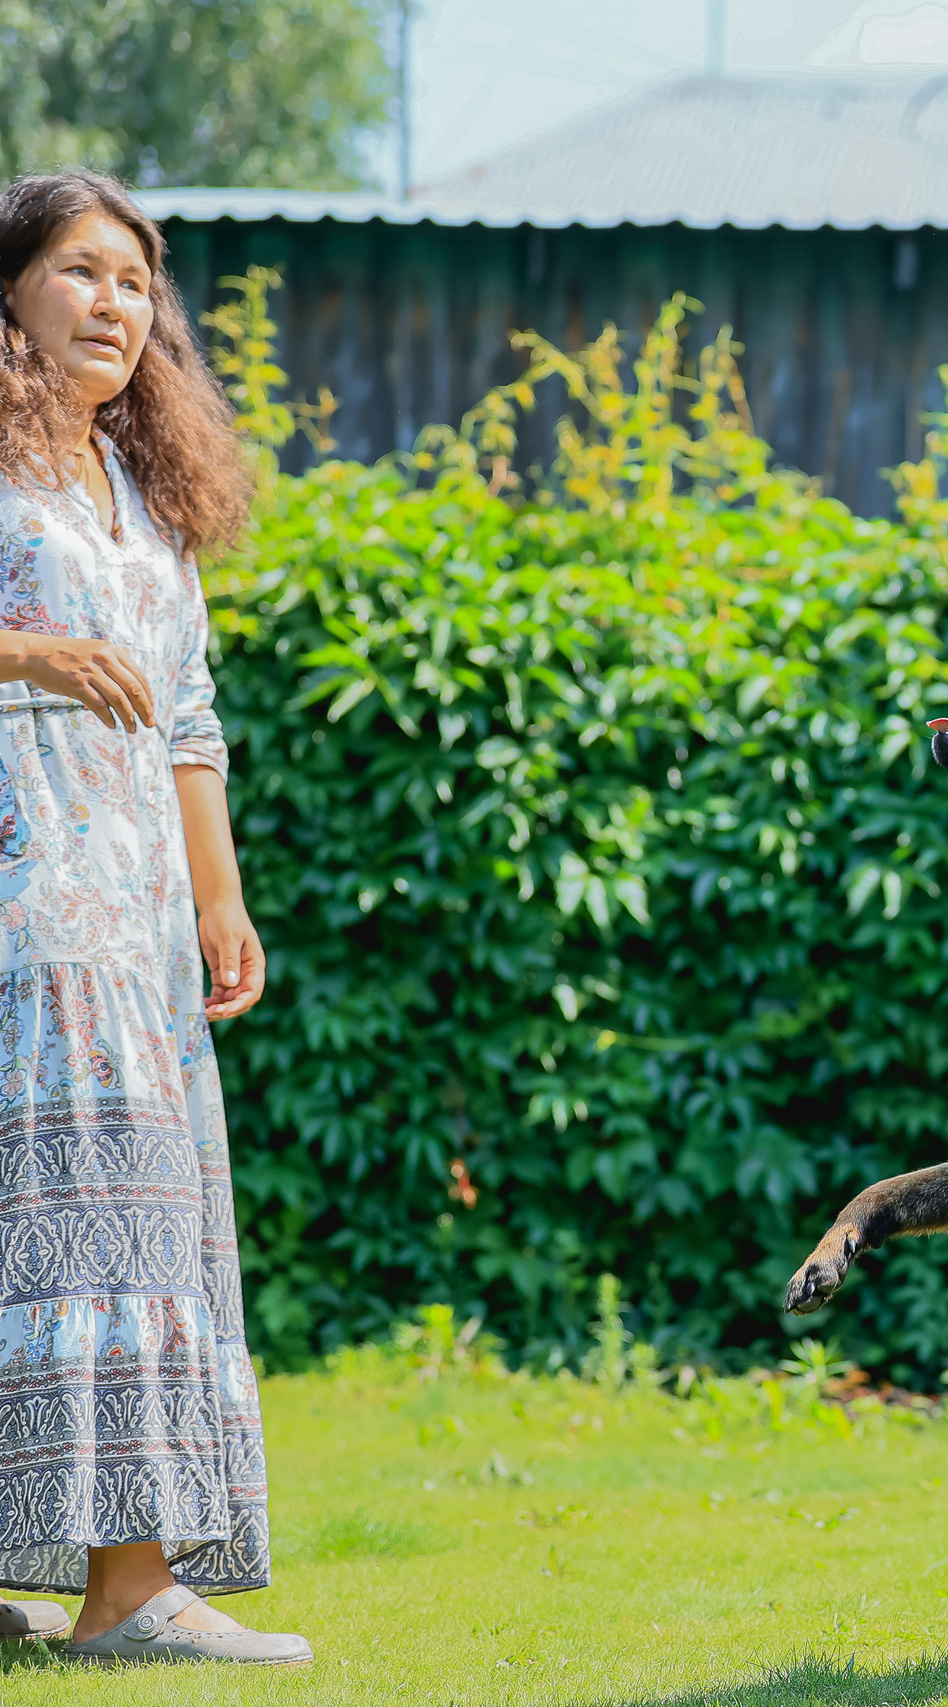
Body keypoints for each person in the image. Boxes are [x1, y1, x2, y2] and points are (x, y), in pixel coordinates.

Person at [0, 169, 304, 1666]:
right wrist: (28, 655)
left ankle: (128, 1582)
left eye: (136, 280)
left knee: (128, 1229)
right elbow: (53, 661)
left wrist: (219, 894)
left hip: (119, 926)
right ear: (9, 292)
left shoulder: (138, 495)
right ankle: (103, 1590)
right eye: (79, 270)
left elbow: (187, 710)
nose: (116, 302)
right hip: (13, 916)